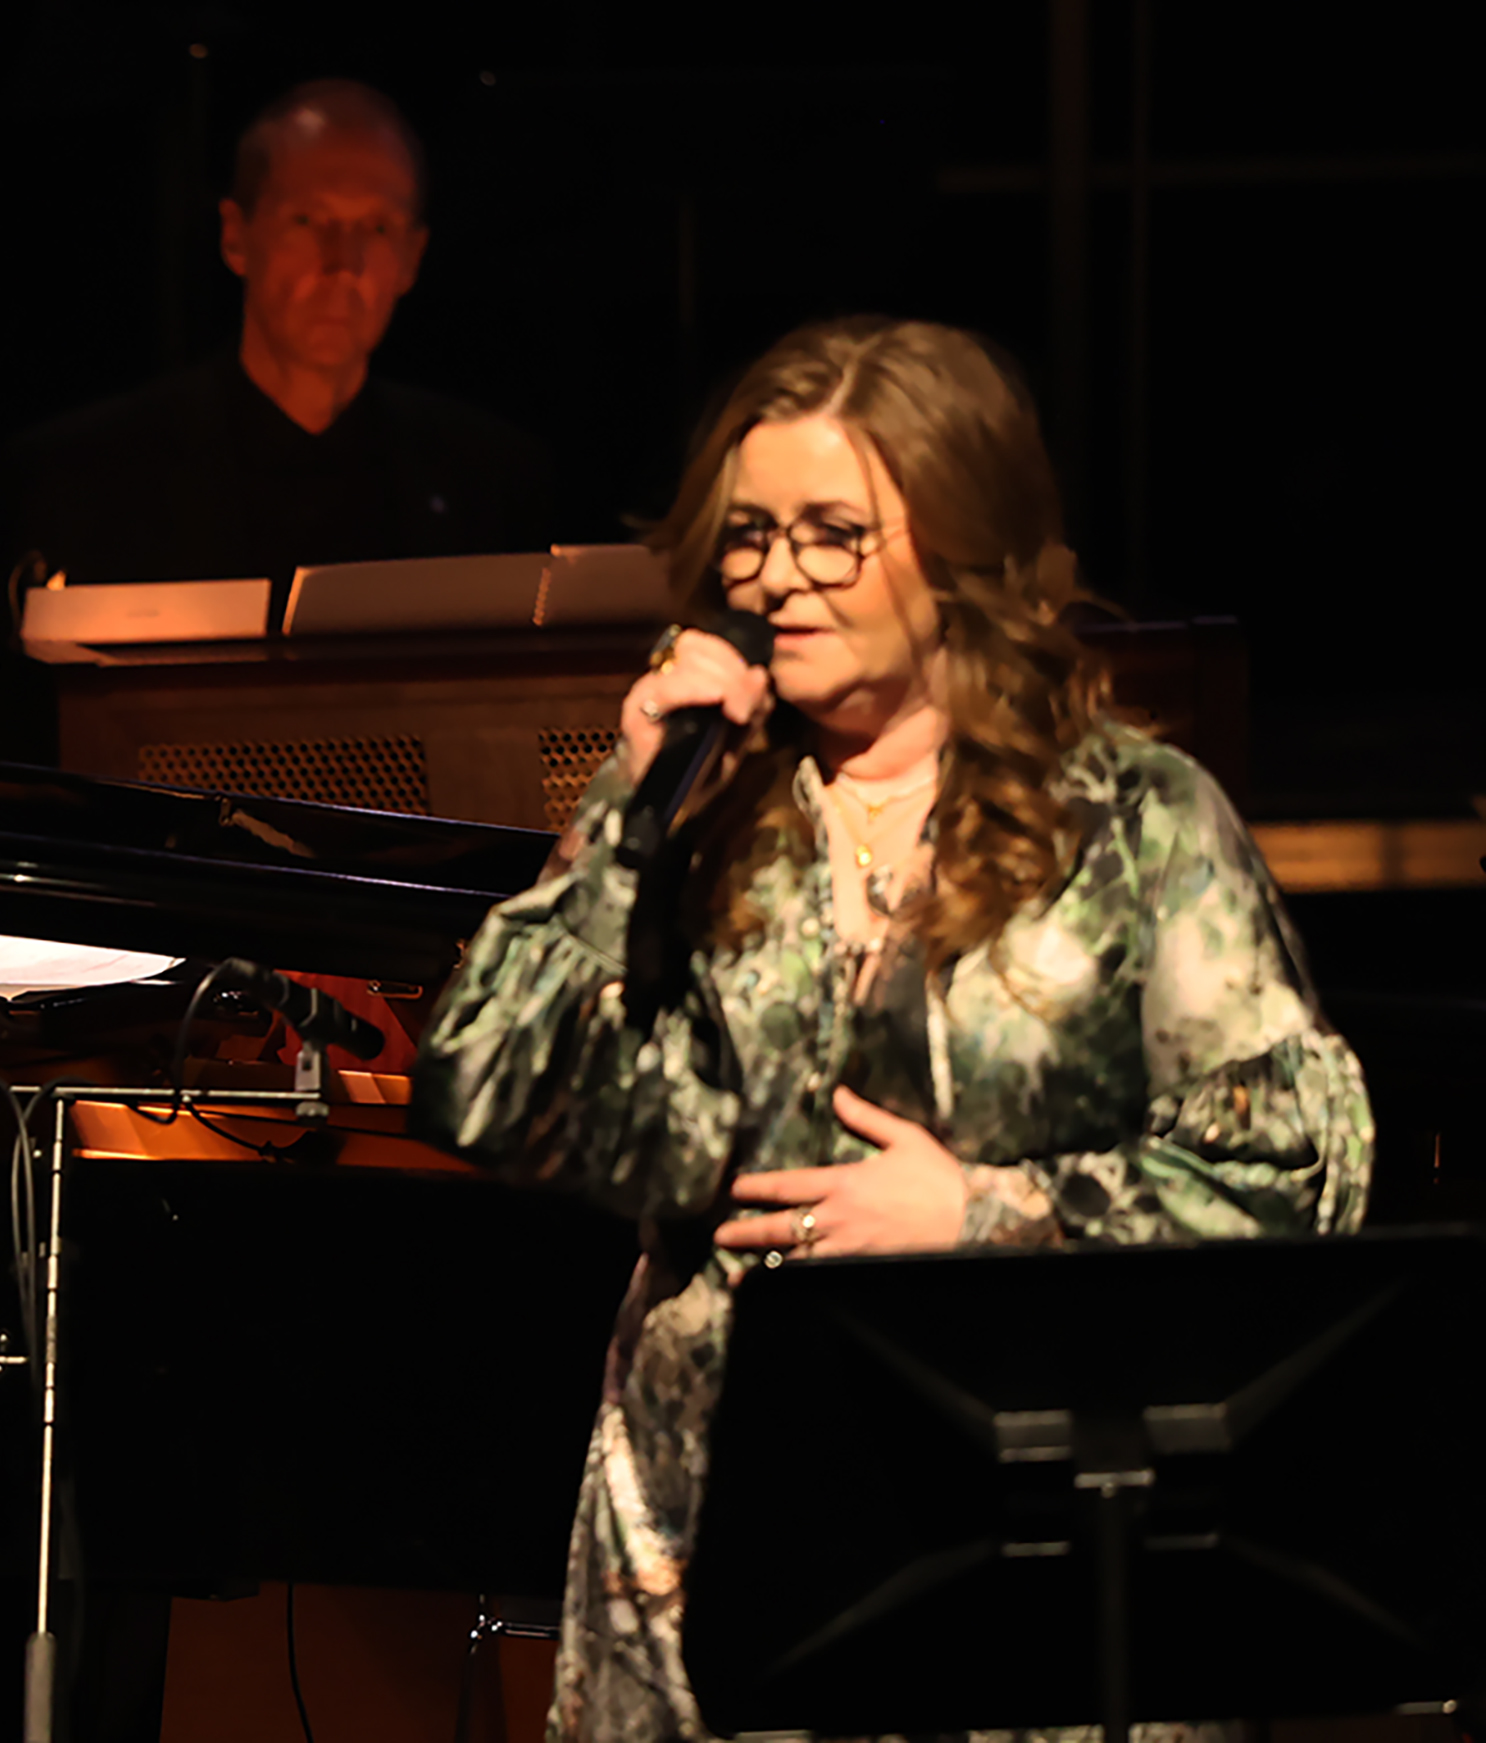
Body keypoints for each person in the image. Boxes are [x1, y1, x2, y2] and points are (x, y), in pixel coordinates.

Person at [407, 317, 1371, 1743]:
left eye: (832, 533)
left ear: (962, 547)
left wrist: (987, 1213)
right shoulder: (696, 815)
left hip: (1030, 1549)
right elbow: (483, 1086)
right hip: (707, 1555)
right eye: (748, 535)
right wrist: (631, 806)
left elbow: (1298, 1170)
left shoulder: (1130, 820)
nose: (776, 575)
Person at [0, 77, 553, 621]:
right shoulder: (87, 480)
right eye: (308, 221)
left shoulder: (492, 485)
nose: (343, 264)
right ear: (235, 235)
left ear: (412, 256)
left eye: (378, 228)